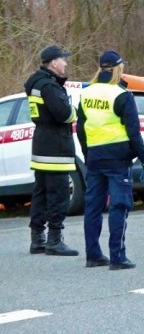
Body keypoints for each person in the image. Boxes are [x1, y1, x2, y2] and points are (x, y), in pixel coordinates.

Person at [76, 50, 144, 270]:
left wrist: (87, 153)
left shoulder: (86, 93)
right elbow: (134, 133)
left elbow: (81, 128)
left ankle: (93, 255)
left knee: (93, 206)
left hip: (95, 157)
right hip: (118, 159)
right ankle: (117, 257)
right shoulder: (122, 95)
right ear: (118, 69)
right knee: (119, 205)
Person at [24, 45, 79, 256]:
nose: (65, 63)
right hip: (56, 146)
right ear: (53, 62)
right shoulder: (49, 86)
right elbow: (64, 114)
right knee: (59, 194)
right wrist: (74, 111)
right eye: (63, 59)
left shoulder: (36, 83)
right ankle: (54, 240)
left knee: (41, 192)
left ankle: (37, 238)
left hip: (41, 144)